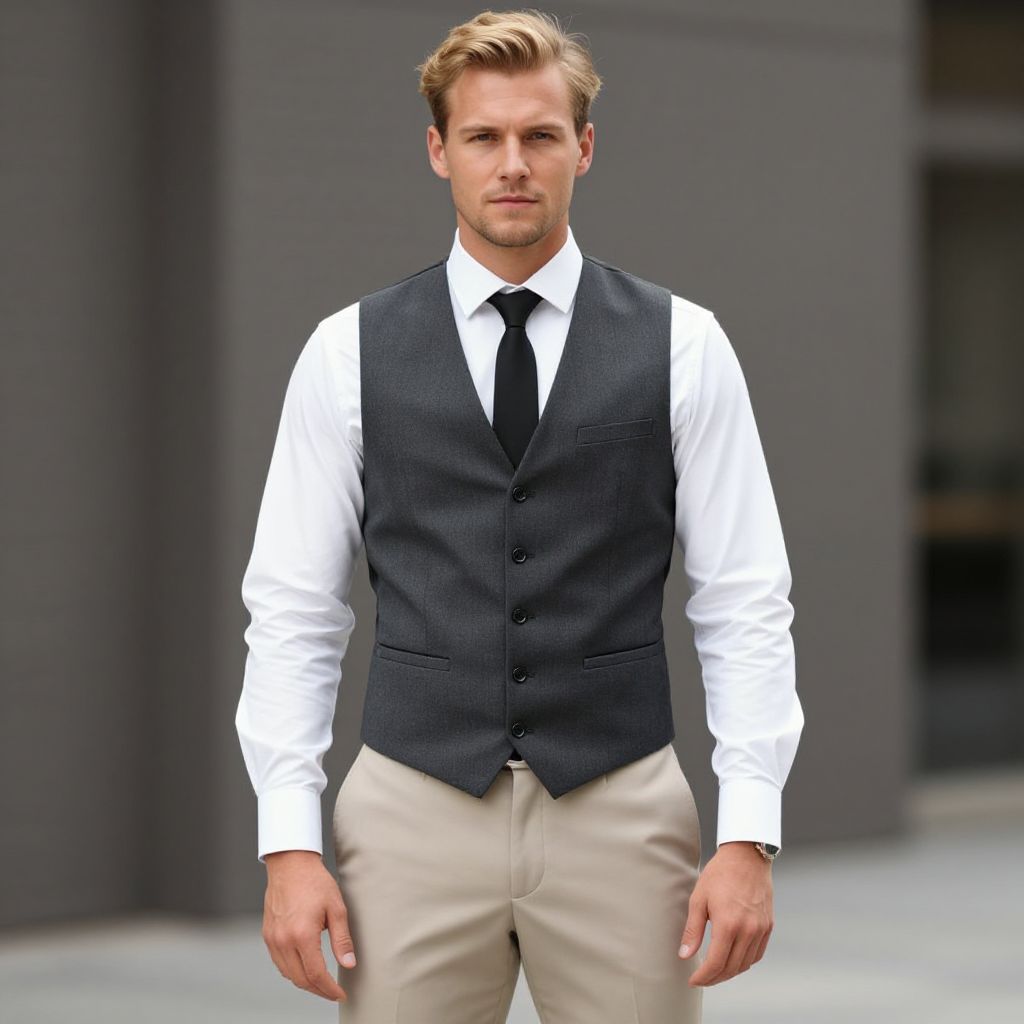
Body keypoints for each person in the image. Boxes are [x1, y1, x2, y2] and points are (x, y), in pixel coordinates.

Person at [234, 8, 804, 1022]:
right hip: (412, 809)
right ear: (437, 150)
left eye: (539, 135)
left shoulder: (685, 345)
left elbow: (744, 595)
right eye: (482, 136)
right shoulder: (342, 352)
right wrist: (288, 840)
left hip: (620, 807)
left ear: (582, 147)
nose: (512, 163)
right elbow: (292, 608)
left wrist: (747, 831)